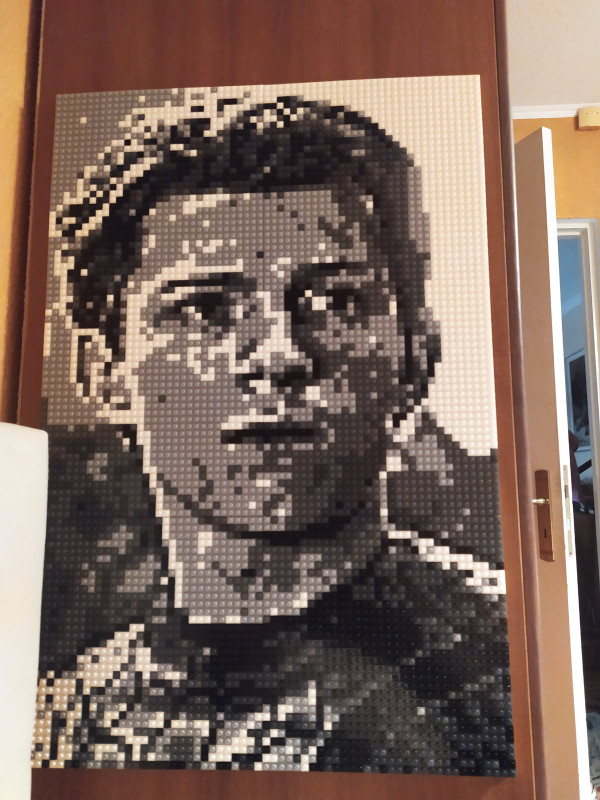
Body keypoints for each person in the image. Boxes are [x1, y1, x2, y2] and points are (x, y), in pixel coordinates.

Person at [33, 95, 514, 773]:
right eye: (203, 309)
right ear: (104, 371)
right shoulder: (58, 724)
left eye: (337, 302)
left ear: (415, 354)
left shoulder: (515, 668)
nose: (280, 354)